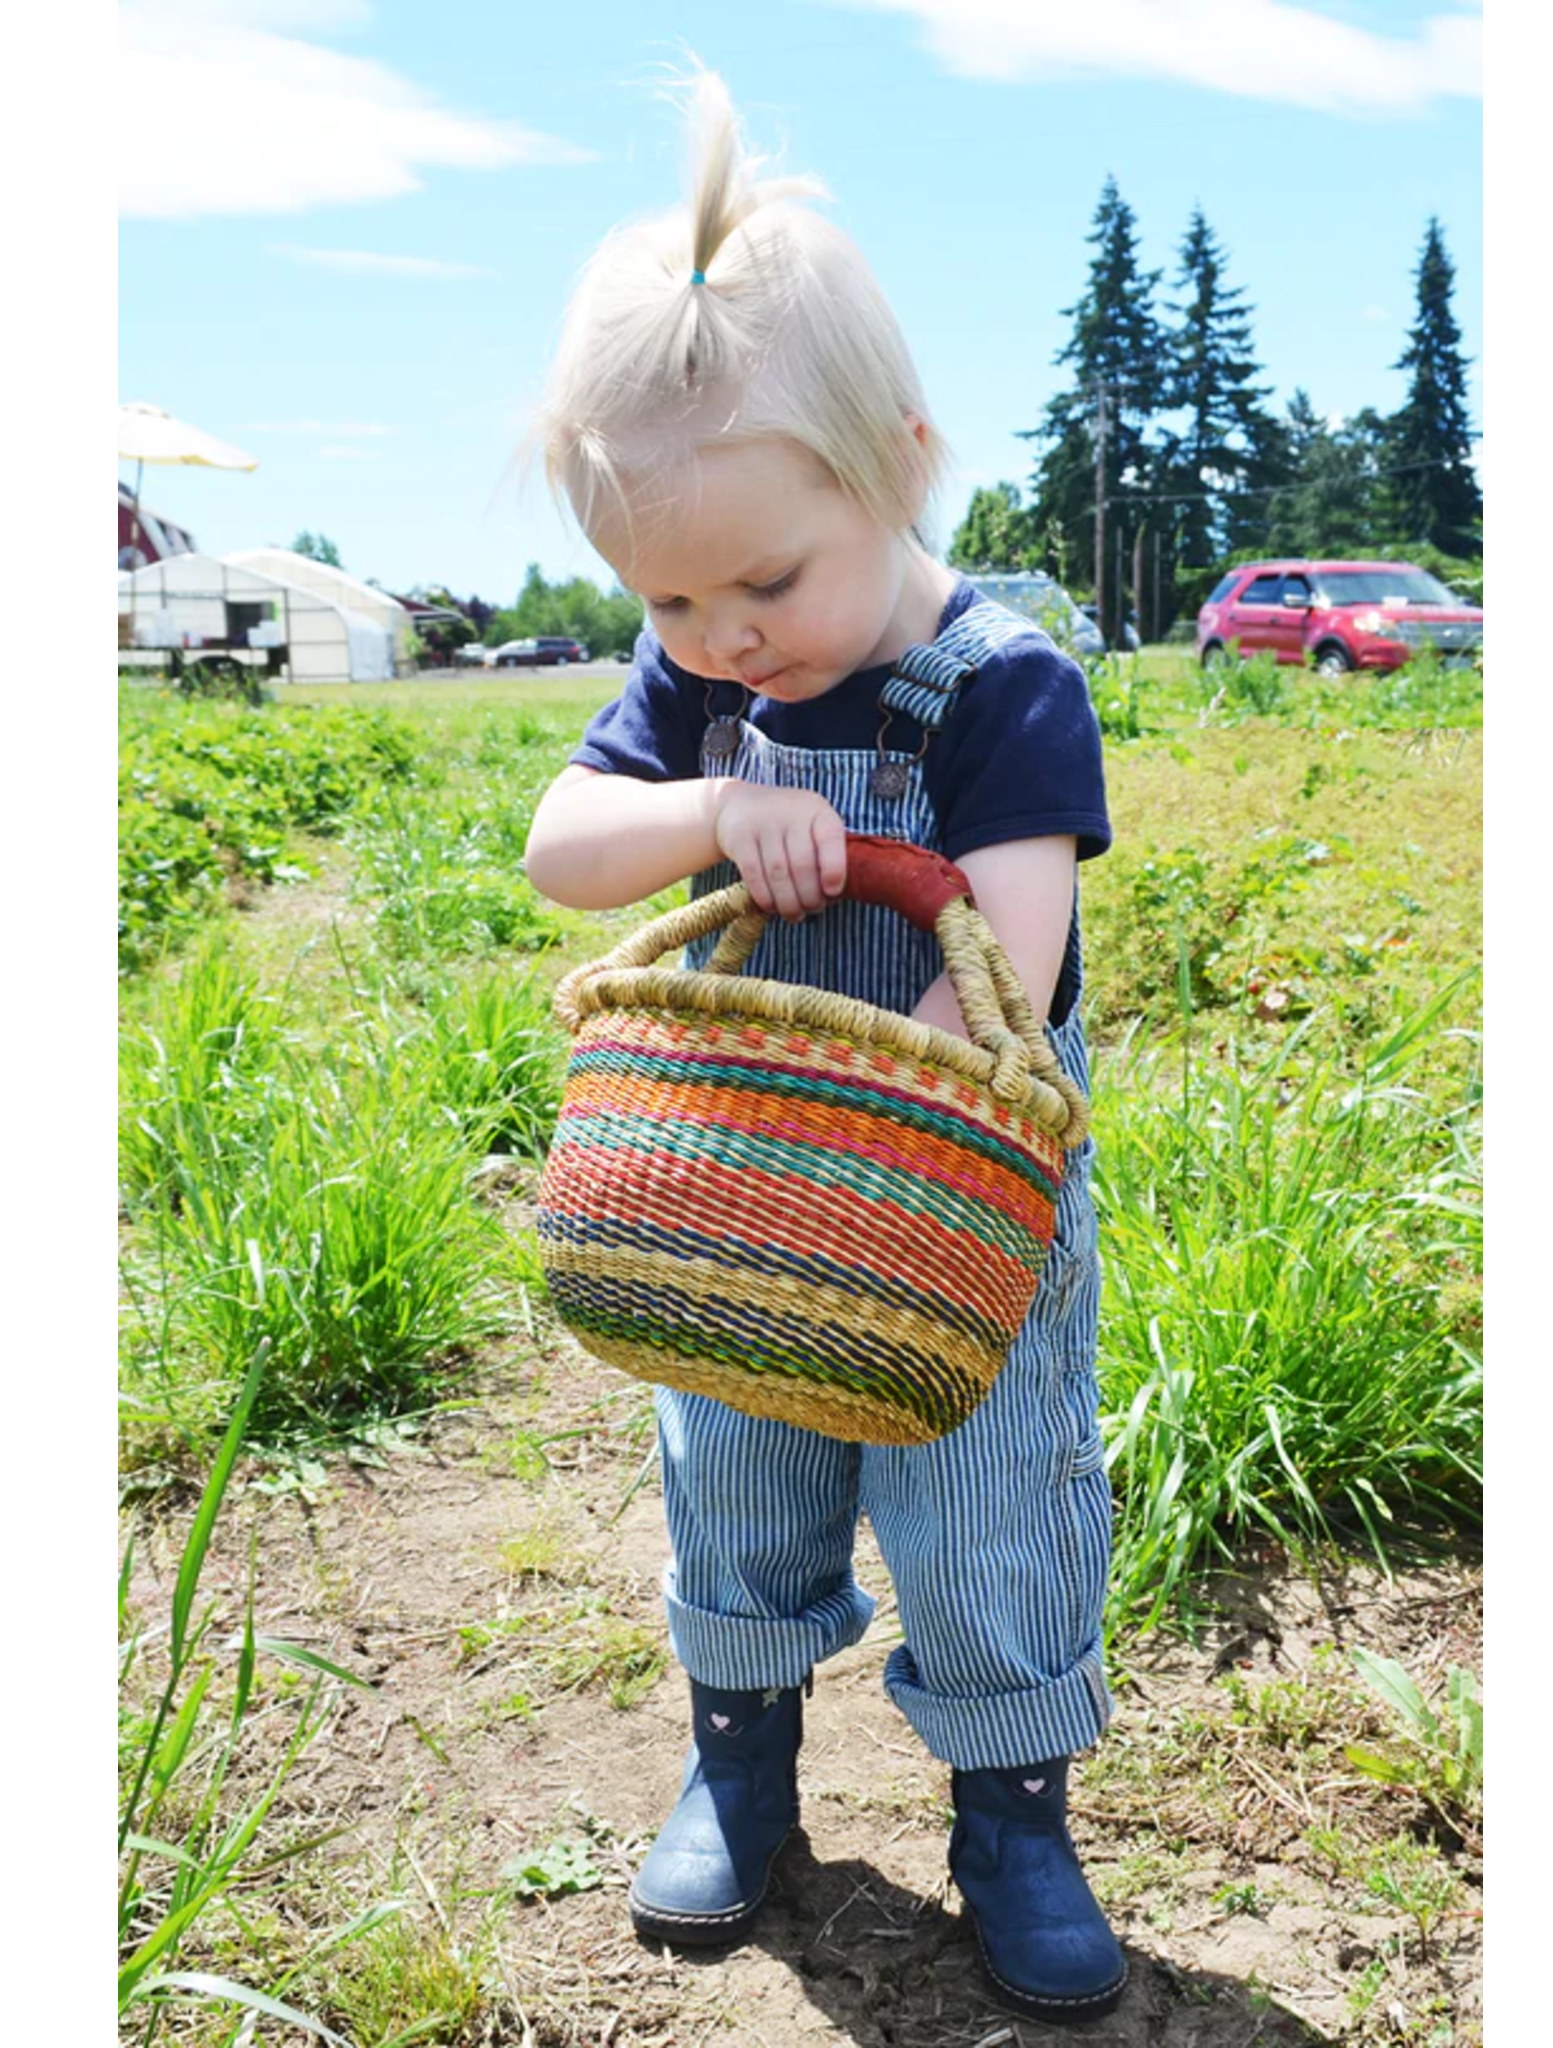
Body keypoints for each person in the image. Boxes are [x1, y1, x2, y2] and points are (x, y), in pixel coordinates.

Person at [523, 71, 1125, 2026]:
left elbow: (999, 973)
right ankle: (739, 1752)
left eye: (760, 582)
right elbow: (557, 852)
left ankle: (1008, 1802)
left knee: (981, 1508)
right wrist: (709, 814)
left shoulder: (1001, 687)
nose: (720, 638)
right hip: (732, 1189)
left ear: (902, 463)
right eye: (665, 597)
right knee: (738, 1465)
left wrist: (868, 862)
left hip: (943, 1198)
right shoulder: (695, 681)